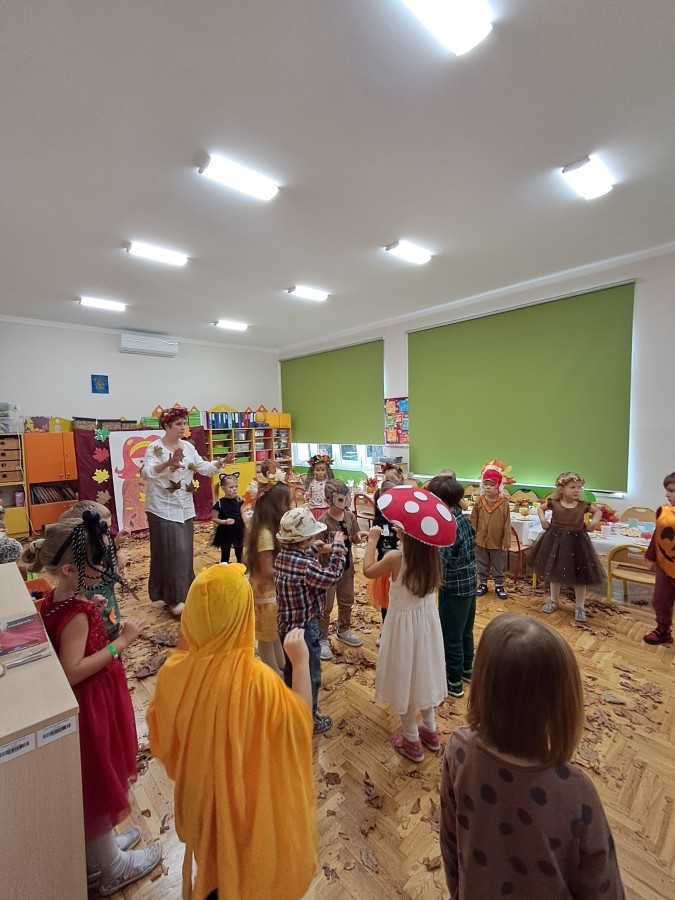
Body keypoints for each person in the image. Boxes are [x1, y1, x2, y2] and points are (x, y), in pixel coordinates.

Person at [147, 564, 316, 900]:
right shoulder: (260, 682)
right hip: (248, 812)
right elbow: (299, 725)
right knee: (246, 867)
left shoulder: (175, 672)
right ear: (245, 617)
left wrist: (192, 640)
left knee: (213, 861)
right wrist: (300, 665)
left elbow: (162, 734)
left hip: (202, 804)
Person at [20, 513, 161, 896]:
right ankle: (112, 866)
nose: (104, 569)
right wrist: (122, 642)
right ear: (70, 570)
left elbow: (67, 632)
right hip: (92, 706)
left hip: (90, 703)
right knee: (98, 783)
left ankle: (98, 854)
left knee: (95, 782)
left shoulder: (59, 599)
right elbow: (72, 670)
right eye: (98, 564)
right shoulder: (77, 614)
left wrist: (90, 606)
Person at [440, 612, 625, 899]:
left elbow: (450, 845)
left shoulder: (458, 749)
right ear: (561, 703)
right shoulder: (576, 791)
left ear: (482, 684)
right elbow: (602, 886)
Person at [363, 485, 456, 763]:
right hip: (426, 624)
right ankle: (430, 731)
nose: (397, 527)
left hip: (402, 626)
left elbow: (367, 571)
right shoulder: (432, 557)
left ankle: (411, 739)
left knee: (403, 674)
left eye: (401, 526)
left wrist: (372, 539)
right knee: (423, 673)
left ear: (406, 533)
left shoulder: (395, 558)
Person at [140, 406, 234, 616]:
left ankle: (185, 593)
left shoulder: (189, 447)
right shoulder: (155, 448)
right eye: (178, 424)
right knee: (171, 552)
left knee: (184, 552)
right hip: (162, 508)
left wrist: (221, 462)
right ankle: (173, 598)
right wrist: (168, 463)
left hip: (184, 507)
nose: (183, 427)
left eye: (184, 423)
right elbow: (146, 473)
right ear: (166, 426)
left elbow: (204, 468)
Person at [274, 506, 346, 733]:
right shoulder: (306, 567)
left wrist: (315, 548)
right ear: (304, 540)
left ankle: (292, 707)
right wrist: (338, 549)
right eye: (312, 537)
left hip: (286, 626)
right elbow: (332, 577)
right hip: (305, 628)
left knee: (292, 669)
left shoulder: (282, 557)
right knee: (310, 672)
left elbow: (301, 557)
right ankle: (309, 717)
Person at [529, 471, 603, 623]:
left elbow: (598, 512)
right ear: (562, 489)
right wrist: (543, 521)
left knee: (580, 576)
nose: (577, 490)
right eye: (572, 487)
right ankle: (554, 600)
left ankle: (580, 606)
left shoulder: (583, 505)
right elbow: (540, 508)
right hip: (556, 541)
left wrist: (593, 523)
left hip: (577, 543)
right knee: (554, 571)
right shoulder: (554, 503)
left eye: (579, 488)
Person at [427, 475, 477, 699]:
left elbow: (440, 562)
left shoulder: (448, 526)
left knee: (451, 635)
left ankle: (454, 681)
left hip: (454, 588)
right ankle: (467, 670)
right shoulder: (462, 518)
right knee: (465, 630)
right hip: (469, 584)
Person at [61, 500, 131, 640]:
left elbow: (103, 553)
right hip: (101, 625)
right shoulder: (83, 569)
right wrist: (118, 565)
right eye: (102, 531)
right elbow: (101, 581)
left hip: (109, 619)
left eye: (108, 529)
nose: (107, 535)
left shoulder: (86, 553)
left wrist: (116, 542)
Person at [244, 481, 293, 675]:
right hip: (265, 592)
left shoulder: (271, 529)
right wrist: (290, 572)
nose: (290, 508)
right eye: (286, 504)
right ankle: (272, 671)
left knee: (274, 630)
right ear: (275, 506)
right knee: (265, 635)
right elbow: (266, 569)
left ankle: (281, 664)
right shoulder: (264, 534)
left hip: (273, 590)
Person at [318, 479, 368, 659]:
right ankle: (322, 638)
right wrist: (333, 546)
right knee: (326, 606)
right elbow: (318, 547)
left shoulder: (350, 516)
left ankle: (343, 629)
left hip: (347, 568)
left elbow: (354, 537)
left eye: (347, 499)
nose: (345, 503)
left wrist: (360, 535)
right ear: (328, 500)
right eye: (340, 499)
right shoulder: (323, 522)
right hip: (328, 571)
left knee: (347, 601)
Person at [470, 461, 512, 600]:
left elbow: (507, 523)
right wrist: (472, 535)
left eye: (492, 485)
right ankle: (482, 583)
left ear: (499, 486)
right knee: (481, 562)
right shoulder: (479, 501)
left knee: (497, 564)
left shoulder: (503, 504)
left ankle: (498, 584)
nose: (488, 487)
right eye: (485, 484)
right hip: (480, 540)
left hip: (497, 541)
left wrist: (506, 541)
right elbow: (474, 519)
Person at [643, 471, 675, 644]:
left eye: (671, 491)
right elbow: (658, 536)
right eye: (667, 490)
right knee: (661, 599)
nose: (667, 494)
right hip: (665, 566)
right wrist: (651, 557)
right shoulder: (664, 512)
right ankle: (663, 629)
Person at [366, 479, 399, 647]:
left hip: (399, 568)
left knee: (398, 601)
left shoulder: (402, 519)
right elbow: (377, 545)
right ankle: (386, 628)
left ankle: (397, 630)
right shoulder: (378, 520)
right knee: (386, 603)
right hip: (384, 567)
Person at [212, 474, 245, 563]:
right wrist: (225, 522)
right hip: (225, 532)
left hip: (238, 530)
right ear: (223, 488)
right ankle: (224, 567)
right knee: (225, 553)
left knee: (239, 552)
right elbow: (214, 518)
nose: (234, 489)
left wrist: (247, 524)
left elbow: (242, 514)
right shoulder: (219, 503)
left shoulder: (239, 501)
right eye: (231, 487)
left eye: (236, 487)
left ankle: (241, 568)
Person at [304, 454, 333, 519]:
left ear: (326, 470)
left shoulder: (328, 483)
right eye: (317, 470)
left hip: (326, 510)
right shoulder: (311, 483)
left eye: (323, 470)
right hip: (314, 510)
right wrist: (306, 496)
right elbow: (308, 496)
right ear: (313, 470)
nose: (320, 472)